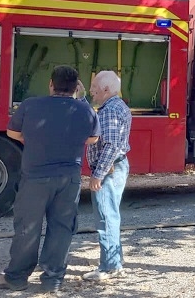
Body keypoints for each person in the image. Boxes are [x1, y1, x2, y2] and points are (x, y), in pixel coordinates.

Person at [0, 66, 100, 293]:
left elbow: (13, 133)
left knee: (28, 226)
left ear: (51, 84)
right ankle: (52, 279)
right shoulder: (86, 111)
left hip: (35, 178)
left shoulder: (31, 105)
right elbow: (93, 139)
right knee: (62, 227)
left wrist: (33, 140)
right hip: (69, 180)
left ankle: (17, 278)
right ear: (76, 88)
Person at [82, 71, 132, 282]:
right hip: (117, 167)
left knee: (105, 218)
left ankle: (109, 267)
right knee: (111, 216)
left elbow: (111, 146)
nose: (92, 90)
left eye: (94, 86)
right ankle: (115, 262)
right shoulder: (117, 106)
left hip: (109, 170)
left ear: (105, 89)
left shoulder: (109, 111)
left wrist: (98, 174)